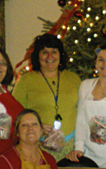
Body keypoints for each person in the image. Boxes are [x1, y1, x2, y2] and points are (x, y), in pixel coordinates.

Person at [12, 33, 81, 162]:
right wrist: (37, 125)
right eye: (44, 52)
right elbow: (15, 113)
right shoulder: (25, 81)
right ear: (37, 56)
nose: (50, 56)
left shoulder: (74, 79)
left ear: (61, 55)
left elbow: (83, 111)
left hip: (71, 148)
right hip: (38, 146)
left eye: (54, 51)